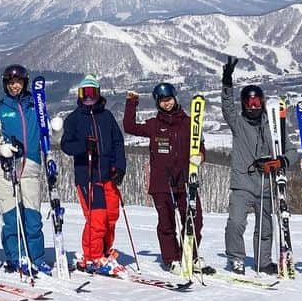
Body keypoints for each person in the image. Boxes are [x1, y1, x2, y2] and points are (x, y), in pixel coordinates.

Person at [123, 82, 206, 274]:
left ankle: (190, 255)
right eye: (162, 101)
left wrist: (200, 157)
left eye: (168, 99)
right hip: (162, 183)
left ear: (175, 98)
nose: (166, 104)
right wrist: (131, 102)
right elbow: (129, 126)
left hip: (186, 181)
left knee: (195, 219)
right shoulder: (154, 125)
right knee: (166, 222)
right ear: (157, 103)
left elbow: (200, 146)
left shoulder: (189, 123)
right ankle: (172, 259)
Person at [0, 64, 57, 276]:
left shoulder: (35, 107)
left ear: (24, 83)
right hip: (5, 169)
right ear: (5, 85)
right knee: (12, 216)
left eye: (18, 82)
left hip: (31, 167)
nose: (14, 86)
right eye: (10, 83)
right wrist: (1, 148)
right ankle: (16, 256)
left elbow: (48, 135)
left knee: (33, 216)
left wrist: (57, 131)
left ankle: (37, 257)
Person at [60, 74, 126, 276]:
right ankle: (92, 256)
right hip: (87, 176)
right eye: (84, 93)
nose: (88, 97)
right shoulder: (74, 119)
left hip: (108, 174)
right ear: (79, 95)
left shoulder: (106, 116)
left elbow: (117, 142)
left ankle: (104, 250)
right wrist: (83, 146)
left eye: (92, 92)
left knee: (112, 216)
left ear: (98, 94)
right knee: (97, 218)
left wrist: (119, 167)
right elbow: (65, 145)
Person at [221, 57, 277, 275]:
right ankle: (236, 258)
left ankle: (263, 262)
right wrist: (227, 83)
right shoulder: (238, 123)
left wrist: (279, 162)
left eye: (257, 103)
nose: (253, 106)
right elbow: (227, 107)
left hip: (265, 183)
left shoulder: (272, 124)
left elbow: (288, 151)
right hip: (242, 182)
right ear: (244, 104)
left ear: (262, 102)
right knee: (235, 223)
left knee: (264, 227)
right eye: (249, 103)